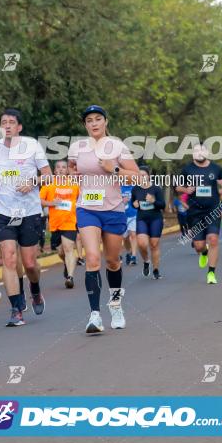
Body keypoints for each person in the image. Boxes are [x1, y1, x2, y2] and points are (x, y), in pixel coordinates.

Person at [68, 105, 139, 333]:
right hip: (87, 208)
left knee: (112, 261)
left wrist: (114, 168)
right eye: (89, 120)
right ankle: (95, 315)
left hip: (113, 209)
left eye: (98, 119)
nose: (94, 123)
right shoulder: (77, 147)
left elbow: (136, 174)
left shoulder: (117, 146)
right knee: (92, 257)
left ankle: (116, 305)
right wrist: (74, 175)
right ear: (85, 125)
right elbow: (71, 169)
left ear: (105, 122)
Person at [0, 109, 52, 327]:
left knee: (30, 264)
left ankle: (35, 290)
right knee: (9, 258)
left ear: (19, 127)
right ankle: (15, 309)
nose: (8, 125)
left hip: (29, 212)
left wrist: (32, 183)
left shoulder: (31, 145)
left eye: (12, 122)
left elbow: (48, 176)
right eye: (4, 122)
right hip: (3, 212)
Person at [175, 144, 222, 284]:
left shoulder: (216, 168)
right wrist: (186, 190)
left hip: (212, 210)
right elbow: (177, 186)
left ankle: (211, 273)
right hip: (195, 212)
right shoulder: (187, 169)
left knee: (213, 239)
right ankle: (203, 252)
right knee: (198, 245)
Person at [39, 160, 79, 288]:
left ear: (67, 170)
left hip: (70, 221)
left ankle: (70, 277)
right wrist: (51, 203)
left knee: (68, 249)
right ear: (55, 171)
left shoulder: (74, 184)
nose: (61, 169)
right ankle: (67, 265)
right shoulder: (49, 185)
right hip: (55, 224)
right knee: (61, 252)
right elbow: (39, 200)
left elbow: (82, 198)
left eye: (64, 167)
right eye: (58, 167)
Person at [130, 165, 165, 279]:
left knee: (154, 244)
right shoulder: (135, 189)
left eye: (144, 175)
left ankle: (155, 270)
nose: (142, 177)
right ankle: (146, 261)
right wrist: (134, 205)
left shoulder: (156, 189)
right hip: (142, 218)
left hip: (155, 218)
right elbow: (133, 203)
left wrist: (153, 201)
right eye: (139, 175)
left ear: (149, 176)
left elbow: (162, 205)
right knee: (142, 244)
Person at [120, 183, 138, 266]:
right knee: (125, 238)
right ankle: (129, 252)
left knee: (133, 235)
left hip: (133, 215)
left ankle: (133, 256)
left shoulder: (135, 187)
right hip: (122, 216)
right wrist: (122, 201)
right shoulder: (118, 186)